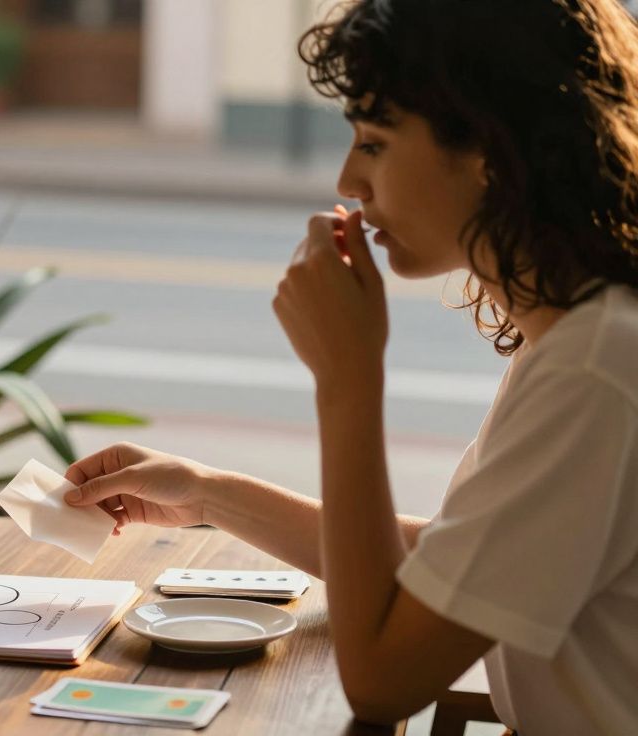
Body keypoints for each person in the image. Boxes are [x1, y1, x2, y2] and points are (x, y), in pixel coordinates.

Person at [63, 0, 638, 733]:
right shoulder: (575, 335)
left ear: (493, 153)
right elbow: (446, 563)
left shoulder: (594, 371)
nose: (348, 180)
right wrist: (207, 493)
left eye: (373, 142)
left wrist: (347, 379)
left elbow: (383, 680)